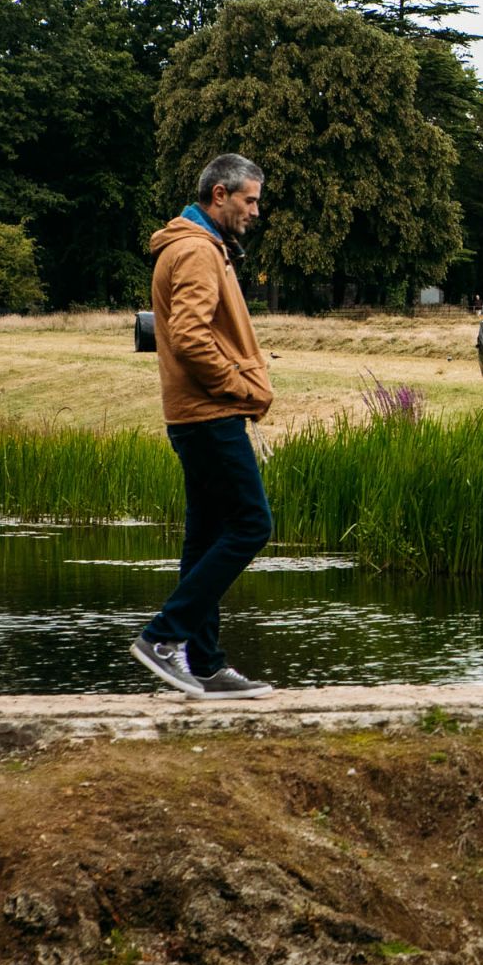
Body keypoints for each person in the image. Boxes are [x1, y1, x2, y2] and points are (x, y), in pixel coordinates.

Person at [131, 154, 278, 699]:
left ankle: (208, 663)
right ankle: (163, 637)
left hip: (196, 415)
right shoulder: (195, 250)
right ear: (220, 194)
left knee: (205, 540)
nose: (255, 211)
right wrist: (242, 387)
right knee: (251, 524)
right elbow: (191, 337)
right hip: (210, 415)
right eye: (250, 200)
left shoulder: (201, 246)